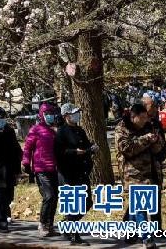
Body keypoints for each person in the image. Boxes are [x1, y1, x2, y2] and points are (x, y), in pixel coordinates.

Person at [116, 103, 164, 249]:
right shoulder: (122, 128)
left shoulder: (149, 126)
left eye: (146, 117)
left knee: (137, 206)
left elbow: (159, 148)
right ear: (133, 117)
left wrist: (156, 141)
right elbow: (126, 148)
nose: (145, 120)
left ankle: (131, 233)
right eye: (141, 118)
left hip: (152, 172)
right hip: (133, 174)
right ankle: (146, 238)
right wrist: (145, 139)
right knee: (140, 206)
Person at [55, 103, 96, 246]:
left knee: (87, 202)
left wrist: (91, 148)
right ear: (66, 116)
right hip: (68, 173)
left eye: (77, 112)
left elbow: (85, 146)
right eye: (73, 113)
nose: (76, 115)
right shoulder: (61, 132)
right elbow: (59, 153)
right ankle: (74, 236)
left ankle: (67, 223)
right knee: (73, 205)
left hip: (82, 171)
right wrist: (74, 152)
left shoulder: (80, 130)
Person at [22, 102, 60, 237]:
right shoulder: (35, 129)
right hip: (41, 168)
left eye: (51, 114)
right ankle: (42, 224)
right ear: (41, 115)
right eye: (46, 114)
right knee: (48, 196)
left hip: (54, 169)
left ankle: (50, 225)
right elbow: (27, 147)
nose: (49, 116)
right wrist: (26, 163)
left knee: (55, 197)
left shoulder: (54, 131)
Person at [141, 90, 166, 230]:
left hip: (156, 165)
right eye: (153, 105)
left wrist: (162, 154)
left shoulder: (156, 123)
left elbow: (163, 142)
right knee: (141, 201)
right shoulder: (137, 123)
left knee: (156, 198)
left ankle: (157, 228)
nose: (156, 108)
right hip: (141, 169)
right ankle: (132, 228)